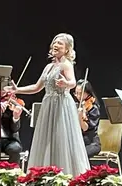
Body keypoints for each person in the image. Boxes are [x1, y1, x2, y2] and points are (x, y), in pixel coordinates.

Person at [7, 34, 90, 176]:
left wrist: (66, 83)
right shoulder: (49, 67)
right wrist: (17, 90)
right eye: (55, 42)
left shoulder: (66, 64)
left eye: (60, 44)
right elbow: (37, 87)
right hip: (48, 104)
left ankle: (65, 175)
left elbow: (73, 82)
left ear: (67, 49)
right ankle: (45, 174)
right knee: (47, 139)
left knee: (60, 138)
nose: (56, 45)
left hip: (61, 105)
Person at [74, 79, 102, 158]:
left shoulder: (93, 108)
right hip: (79, 142)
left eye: (80, 93)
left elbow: (85, 128)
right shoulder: (78, 106)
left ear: (88, 93)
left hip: (91, 143)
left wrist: (80, 117)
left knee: (78, 155)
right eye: (76, 93)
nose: (78, 96)